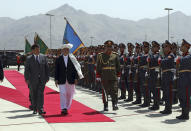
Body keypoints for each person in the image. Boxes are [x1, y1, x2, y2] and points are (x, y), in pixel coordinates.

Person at [55, 43, 84, 115]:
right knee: (63, 93)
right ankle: (63, 108)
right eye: (64, 50)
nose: (65, 51)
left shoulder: (72, 58)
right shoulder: (59, 59)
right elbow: (56, 70)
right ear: (62, 51)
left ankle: (67, 107)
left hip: (71, 79)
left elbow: (75, 69)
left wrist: (76, 78)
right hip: (61, 79)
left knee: (70, 94)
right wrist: (56, 79)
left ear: (68, 50)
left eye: (67, 50)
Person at [24, 44, 49, 115]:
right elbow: (27, 70)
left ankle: (41, 108)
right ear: (33, 50)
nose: (38, 50)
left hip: (42, 80)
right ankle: (35, 108)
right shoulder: (29, 59)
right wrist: (27, 79)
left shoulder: (43, 57)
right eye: (37, 49)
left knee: (40, 94)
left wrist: (47, 77)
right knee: (33, 94)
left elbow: (46, 68)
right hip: (32, 80)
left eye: (39, 49)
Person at [96, 40, 120, 111]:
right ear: (105, 47)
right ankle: (105, 105)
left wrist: (118, 75)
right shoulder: (100, 56)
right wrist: (98, 75)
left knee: (114, 90)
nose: (109, 48)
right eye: (108, 46)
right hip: (104, 76)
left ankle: (114, 104)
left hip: (113, 76)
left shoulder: (115, 55)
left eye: (110, 46)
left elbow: (118, 66)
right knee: (105, 91)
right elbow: (98, 66)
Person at [176, 39, 191, 120]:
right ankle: (183, 113)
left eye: (182, 45)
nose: (180, 47)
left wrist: (179, 59)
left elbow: (183, 61)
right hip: (181, 78)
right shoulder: (183, 56)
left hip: (186, 79)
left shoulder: (188, 56)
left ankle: (186, 114)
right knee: (181, 96)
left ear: (186, 47)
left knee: (186, 96)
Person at [159, 40, 175, 114]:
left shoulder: (171, 55)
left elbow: (163, 62)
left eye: (165, 46)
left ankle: (169, 109)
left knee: (168, 93)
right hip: (165, 76)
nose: (164, 48)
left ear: (169, 48)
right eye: (163, 47)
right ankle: (166, 108)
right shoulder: (165, 56)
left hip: (168, 77)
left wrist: (161, 60)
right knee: (165, 93)